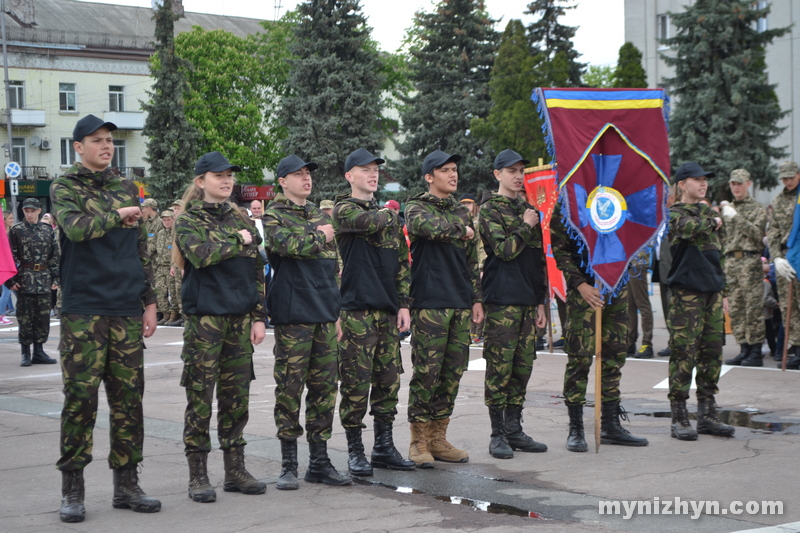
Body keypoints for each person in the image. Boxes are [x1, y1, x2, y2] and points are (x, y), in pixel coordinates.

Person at [51, 114, 160, 523]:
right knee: (80, 400)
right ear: (78, 147)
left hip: (126, 308)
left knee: (129, 400)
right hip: (84, 308)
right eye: (96, 140)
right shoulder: (64, 186)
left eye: (109, 140)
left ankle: (127, 484)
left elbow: (139, 250)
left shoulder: (126, 186)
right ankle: (73, 488)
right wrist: (119, 214)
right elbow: (76, 229)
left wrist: (148, 300)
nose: (106, 146)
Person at [174, 151, 268, 503]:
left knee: (236, 397)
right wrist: (240, 240)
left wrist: (259, 314)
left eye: (229, 175)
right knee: (200, 396)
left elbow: (255, 269)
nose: (227, 181)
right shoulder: (189, 219)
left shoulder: (240, 215)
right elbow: (200, 254)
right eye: (219, 176)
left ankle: (235, 469)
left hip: (240, 319)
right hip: (205, 320)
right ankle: (198, 473)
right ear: (201, 182)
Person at [263, 154, 351, 490]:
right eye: (297, 175)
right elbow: (286, 245)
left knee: (324, 391)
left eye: (308, 174)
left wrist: (337, 311)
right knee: (289, 388)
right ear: (282, 182)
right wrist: (321, 236)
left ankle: (319, 461)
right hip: (294, 316)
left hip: (324, 316)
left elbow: (334, 270)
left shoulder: (318, 214)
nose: (306, 179)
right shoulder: (274, 215)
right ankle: (288, 464)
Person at [333, 148, 416, 476]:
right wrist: (392, 214)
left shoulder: (388, 217)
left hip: (385, 312)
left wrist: (405, 304)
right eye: (364, 169)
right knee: (355, 384)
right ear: (349, 176)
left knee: (388, 382)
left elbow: (402, 263)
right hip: (355, 312)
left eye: (375, 169)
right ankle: (356, 450)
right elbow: (367, 222)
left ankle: (383, 446)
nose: (372, 173)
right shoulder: (343, 209)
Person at [404, 150, 483, 467]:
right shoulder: (416, 206)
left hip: (459, 303)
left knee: (452, 373)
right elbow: (426, 228)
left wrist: (476, 298)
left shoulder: (461, 212)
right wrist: (460, 230)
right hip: (429, 303)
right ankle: (418, 442)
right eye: (445, 170)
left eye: (455, 170)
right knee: (427, 373)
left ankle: (438, 438)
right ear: (429, 176)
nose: (453, 174)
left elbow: (471, 262)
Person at [551, 200, 649, 452]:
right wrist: (580, 284)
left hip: (615, 285)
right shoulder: (569, 204)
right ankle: (576, 428)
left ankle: (610, 424)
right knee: (580, 359)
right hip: (584, 290)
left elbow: (631, 235)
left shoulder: (617, 197)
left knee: (614, 356)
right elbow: (561, 251)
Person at [479, 149, 548, 459]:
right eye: (511, 171)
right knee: (499, 368)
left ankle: (514, 429)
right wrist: (525, 225)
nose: (518, 176)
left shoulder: (530, 210)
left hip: (526, 300)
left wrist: (541, 303)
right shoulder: (490, 209)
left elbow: (536, 263)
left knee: (522, 367)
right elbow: (505, 250)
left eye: (521, 170)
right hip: (502, 301)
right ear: (497, 175)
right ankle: (497, 434)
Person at [666, 162, 735, 440]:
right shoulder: (674, 213)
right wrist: (715, 220)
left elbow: (718, 255)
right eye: (696, 179)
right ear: (683, 184)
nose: (703, 183)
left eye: (704, 179)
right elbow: (688, 229)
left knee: (712, 352)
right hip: (687, 294)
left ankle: (707, 413)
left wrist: (724, 291)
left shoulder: (707, 211)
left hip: (712, 291)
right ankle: (679, 415)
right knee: (684, 353)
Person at [720, 169, 768, 367]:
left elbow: (758, 235)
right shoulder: (728, 209)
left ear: (748, 184)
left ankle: (756, 351)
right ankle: (744, 348)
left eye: (739, 183)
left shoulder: (758, 208)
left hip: (749, 261)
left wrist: (736, 217)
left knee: (753, 307)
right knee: (737, 308)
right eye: (733, 184)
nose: (736, 187)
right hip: (731, 262)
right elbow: (723, 238)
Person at [6, 197, 59, 366]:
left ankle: (39, 351)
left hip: (43, 278)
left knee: (42, 317)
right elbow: (10, 256)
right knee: (25, 317)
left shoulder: (47, 229)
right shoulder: (16, 230)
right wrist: (10, 280)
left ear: (38, 211)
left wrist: (56, 277)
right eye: (26, 211)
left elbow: (54, 255)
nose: (29, 214)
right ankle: (25, 353)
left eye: (32, 211)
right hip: (24, 279)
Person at [766, 161, 800, 369]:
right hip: (787, 261)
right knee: (790, 307)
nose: (787, 181)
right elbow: (774, 233)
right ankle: (796, 349)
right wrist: (777, 258)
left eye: (791, 177)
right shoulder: (778, 201)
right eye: (784, 178)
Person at [627, 248, 655, 359]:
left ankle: (647, 343)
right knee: (630, 305)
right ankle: (630, 342)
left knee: (642, 303)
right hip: (627, 262)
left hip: (638, 262)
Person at [148, 210, 174, 325]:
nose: (166, 222)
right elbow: (152, 248)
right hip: (160, 266)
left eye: (168, 220)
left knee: (174, 292)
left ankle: (175, 314)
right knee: (160, 291)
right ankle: (165, 314)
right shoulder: (160, 233)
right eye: (164, 220)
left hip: (171, 267)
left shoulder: (175, 233)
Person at [165, 199, 185, 327]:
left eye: (178, 208)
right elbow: (174, 247)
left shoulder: (185, 222)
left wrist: (184, 264)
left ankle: (185, 316)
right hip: (176, 262)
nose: (175, 210)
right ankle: (179, 314)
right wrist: (173, 264)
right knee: (177, 290)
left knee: (183, 289)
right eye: (175, 208)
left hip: (184, 263)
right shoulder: (176, 224)